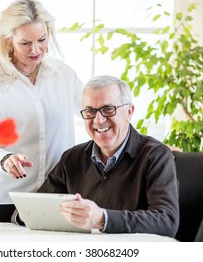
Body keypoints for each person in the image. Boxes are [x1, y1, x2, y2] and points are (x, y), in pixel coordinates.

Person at [0, 0, 84, 222]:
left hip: (50, 196)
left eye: (42, 40)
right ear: (9, 41)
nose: (36, 50)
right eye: (25, 43)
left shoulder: (63, 75)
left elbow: (96, 114)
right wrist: (5, 158)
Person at [29, 75, 180, 236]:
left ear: (129, 112)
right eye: (90, 111)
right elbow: (33, 209)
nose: (98, 120)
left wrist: (102, 218)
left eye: (108, 109)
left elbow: (167, 221)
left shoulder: (155, 156)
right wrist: (27, 216)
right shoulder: (72, 158)